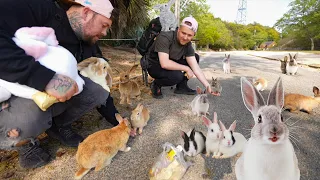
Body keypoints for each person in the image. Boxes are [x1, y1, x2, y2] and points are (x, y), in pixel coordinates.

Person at [0, 0, 121, 169]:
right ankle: (26, 144)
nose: (105, 32)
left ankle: (59, 125)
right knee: (30, 115)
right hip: (13, 86)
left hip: (55, 91)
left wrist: (118, 121)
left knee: (97, 90)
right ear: (86, 13)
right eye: (104, 25)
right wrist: (43, 78)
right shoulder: (39, 8)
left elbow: (102, 84)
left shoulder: (87, 44)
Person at [146, 16, 216, 99]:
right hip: (154, 65)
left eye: (189, 35)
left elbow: (195, 68)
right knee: (177, 76)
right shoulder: (165, 37)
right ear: (178, 29)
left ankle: (181, 87)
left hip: (170, 61)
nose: (185, 37)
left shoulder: (188, 44)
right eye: (183, 33)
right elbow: (164, 63)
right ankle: (156, 84)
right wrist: (187, 68)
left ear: (193, 35)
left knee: (195, 57)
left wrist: (207, 86)